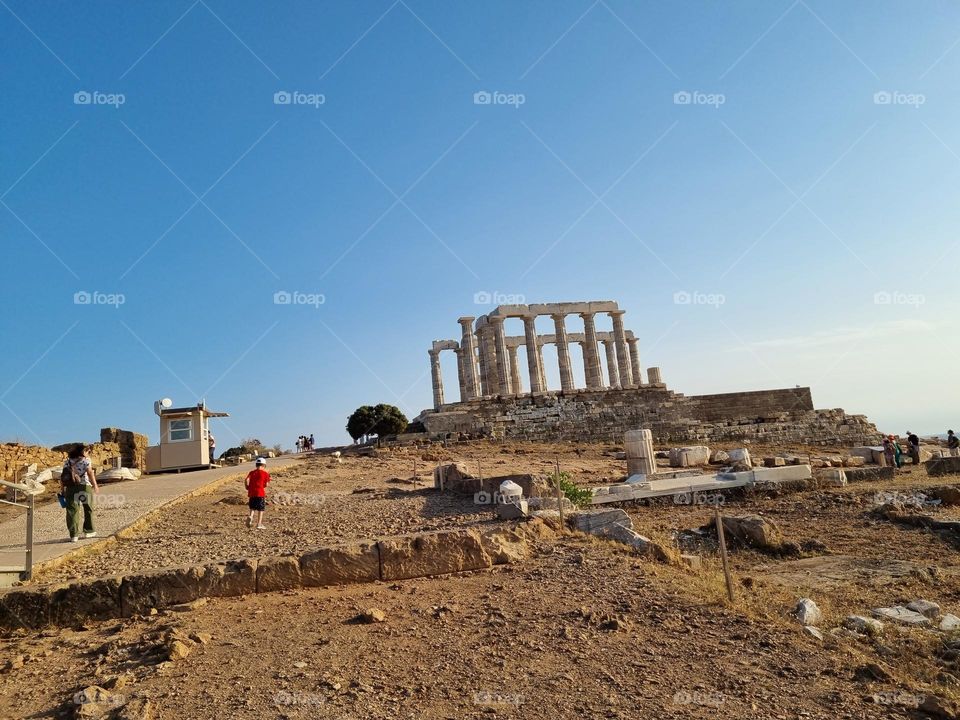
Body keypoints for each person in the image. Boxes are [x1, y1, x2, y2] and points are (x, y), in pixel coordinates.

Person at [60, 444, 99, 542]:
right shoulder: (86, 460)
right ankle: (89, 531)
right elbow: (90, 473)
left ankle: (74, 535)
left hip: (70, 488)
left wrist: (62, 489)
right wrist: (95, 485)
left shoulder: (67, 462)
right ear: (83, 452)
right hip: (84, 487)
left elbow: (63, 476)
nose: (88, 453)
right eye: (88, 451)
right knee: (88, 508)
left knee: (72, 511)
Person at [244, 457, 271, 530]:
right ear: (264, 466)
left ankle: (251, 516)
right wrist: (263, 486)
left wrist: (247, 487)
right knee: (260, 509)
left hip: (252, 493)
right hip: (260, 493)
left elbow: (246, 480)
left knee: (252, 507)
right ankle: (259, 524)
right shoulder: (265, 473)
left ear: (256, 465)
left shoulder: (252, 472)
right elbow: (267, 484)